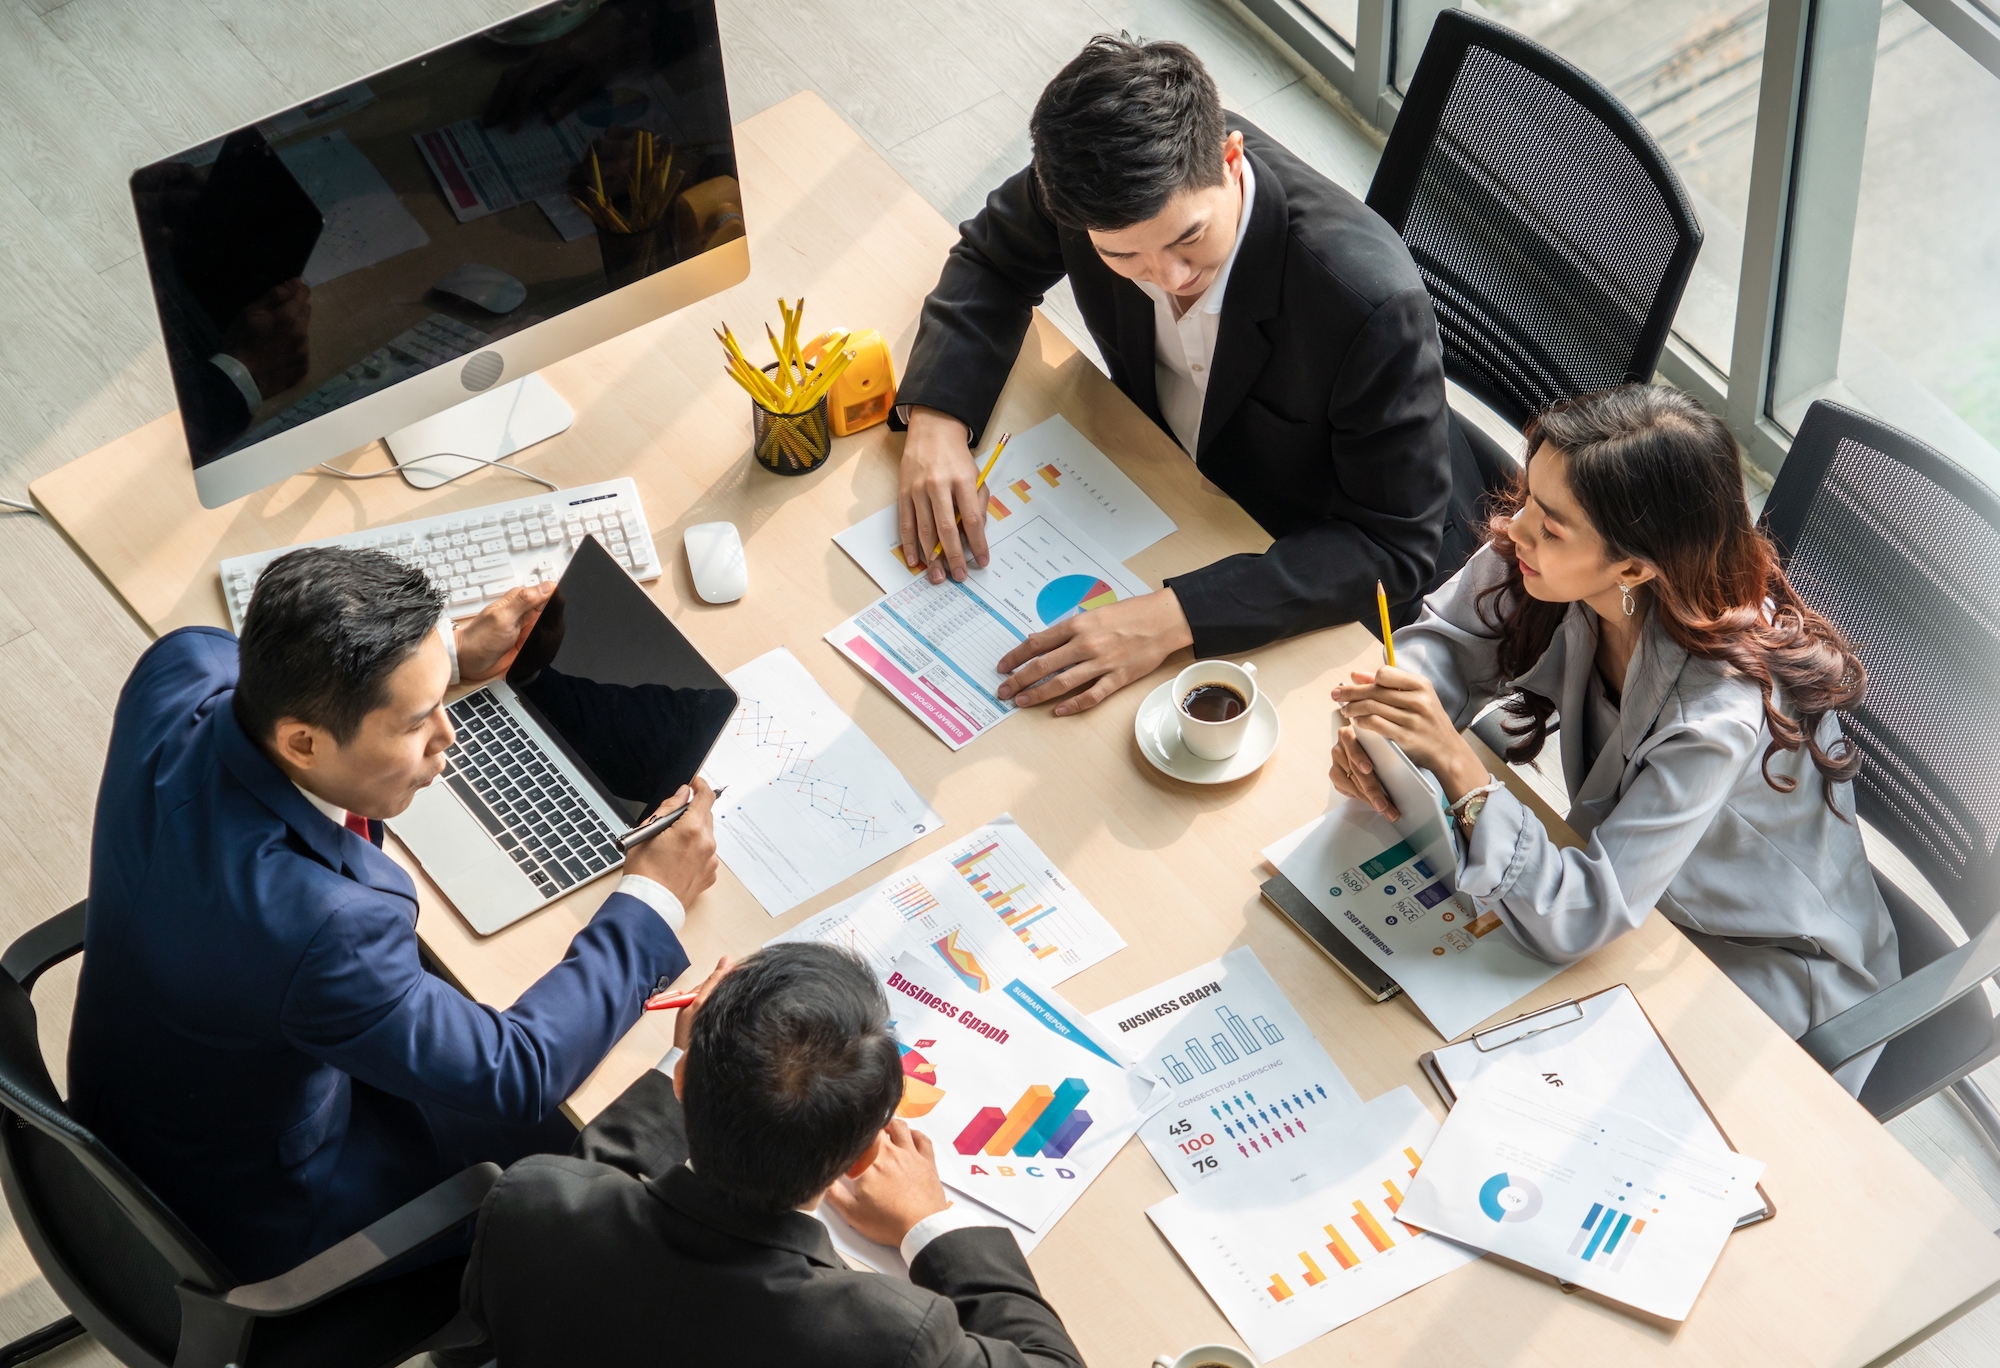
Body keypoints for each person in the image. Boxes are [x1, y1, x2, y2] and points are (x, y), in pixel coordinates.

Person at [67, 547, 720, 1281]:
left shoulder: (184, 666)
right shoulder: (322, 930)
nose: (450, 734)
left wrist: (447, 658)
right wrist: (652, 898)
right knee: (586, 1137)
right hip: (257, 1206)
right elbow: (520, 1069)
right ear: (305, 743)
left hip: (138, 1092)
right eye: (417, 723)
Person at [893, 35, 1505, 716]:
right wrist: (938, 419)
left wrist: (1173, 618)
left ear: (1230, 157)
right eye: (1125, 257)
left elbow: (1392, 547)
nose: (1171, 279)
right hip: (1172, 489)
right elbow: (992, 259)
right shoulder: (1097, 185)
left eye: (1189, 239)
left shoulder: (1369, 303)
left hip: (1324, 562)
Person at [1327, 384, 1899, 1094]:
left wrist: (1453, 764)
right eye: (1530, 500)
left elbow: (1584, 911)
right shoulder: (1554, 559)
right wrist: (1390, 725)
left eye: (1550, 524)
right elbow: (1443, 646)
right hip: (1635, 902)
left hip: (1757, 964)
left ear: (1633, 568)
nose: (1516, 532)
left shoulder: (1717, 713)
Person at [459, 944, 1085, 1368]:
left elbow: (599, 1183)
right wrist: (931, 1224)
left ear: (682, 1088)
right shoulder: (893, 1339)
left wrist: (690, 1057)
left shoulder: (531, 1200)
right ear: (864, 1153)